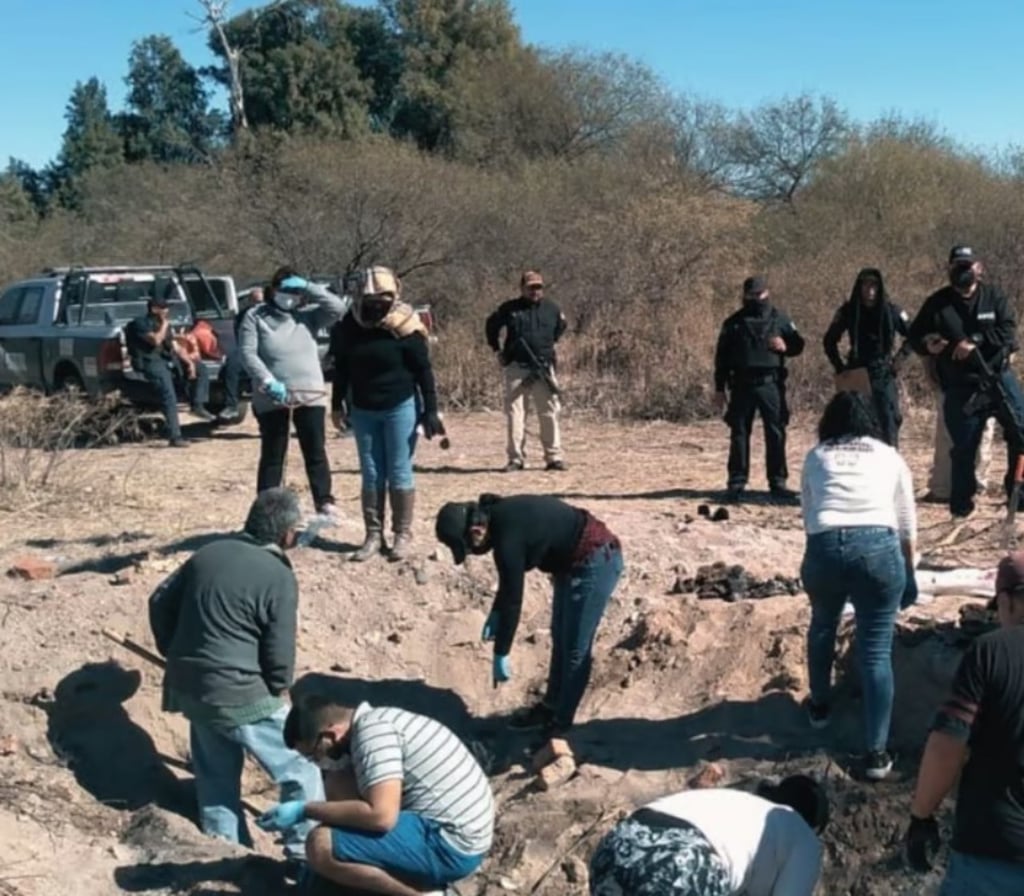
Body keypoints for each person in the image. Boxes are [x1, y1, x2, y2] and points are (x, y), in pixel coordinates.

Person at [147, 488, 324, 872]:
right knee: (302, 768)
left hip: (191, 689)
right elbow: (279, 653)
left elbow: (159, 601)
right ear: (287, 535)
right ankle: (303, 858)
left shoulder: (207, 553)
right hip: (241, 693)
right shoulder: (277, 575)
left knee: (214, 776)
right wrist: (278, 689)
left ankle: (226, 854)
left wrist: (173, 652)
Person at [256, 694, 494, 896]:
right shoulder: (376, 721)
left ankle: (425, 893)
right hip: (450, 828)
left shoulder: (373, 734)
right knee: (338, 781)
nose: (317, 762)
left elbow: (381, 816)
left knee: (320, 845)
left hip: (452, 844)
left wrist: (304, 809)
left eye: (314, 754)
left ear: (331, 735)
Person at [799, 391, 917, 781]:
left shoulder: (816, 456)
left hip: (825, 545)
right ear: (871, 423)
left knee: (822, 625)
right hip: (879, 548)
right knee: (875, 650)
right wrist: (909, 572)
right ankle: (876, 753)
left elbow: (810, 514)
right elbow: (906, 521)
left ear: (829, 422)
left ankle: (819, 706)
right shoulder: (888, 455)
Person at [435, 494, 623, 733]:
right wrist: (496, 613)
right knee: (561, 638)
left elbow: (514, 598)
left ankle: (560, 725)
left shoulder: (506, 537)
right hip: (570, 564)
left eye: (468, 548)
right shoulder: (498, 517)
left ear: (475, 531)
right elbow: (508, 583)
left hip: (596, 558)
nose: (472, 552)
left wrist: (501, 652)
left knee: (575, 648)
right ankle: (550, 707)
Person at [905, 552, 1024, 894]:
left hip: (995, 852)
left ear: (1007, 600)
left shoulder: (992, 651)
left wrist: (921, 816)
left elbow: (947, 744)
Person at [330, 266, 442, 562]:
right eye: (371, 298)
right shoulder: (348, 327)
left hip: (400, 406)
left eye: (384, 297)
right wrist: (336, 403)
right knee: (371, 472)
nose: (377, 303)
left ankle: (402, 534)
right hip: (363, 409)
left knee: (398, 469)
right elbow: (341, 368)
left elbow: (423, 371)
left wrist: (431, 410)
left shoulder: (405, 325)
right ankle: (373, 535)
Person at [907, 245, 1024, 518]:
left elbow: (1008, 331)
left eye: (968, 266)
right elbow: (915, 336)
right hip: (961, 385)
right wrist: (927, 343)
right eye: (957, 266)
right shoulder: (937, 303)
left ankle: (1018, 496)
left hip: (997, 378)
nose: (963, 271)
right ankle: (961, 505)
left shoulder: (994, 297)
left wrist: (975, 341)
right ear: (949, 269)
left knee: (1021, 432)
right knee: (963, 447)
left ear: (979, 268)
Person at [588, 775, 828, 896]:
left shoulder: (737, 805)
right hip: (679, 862)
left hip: (616, 846)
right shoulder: (804, 837)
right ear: (814, 826)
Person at [239, 268, 347, 517]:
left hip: (309, 395)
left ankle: (324, 501)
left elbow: (338, 308)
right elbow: (248, 353)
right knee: (273, 453)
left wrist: (308, 286)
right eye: (286, 290)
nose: (290, 296)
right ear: (273, 290)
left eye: (295, 292)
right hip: (273, 397)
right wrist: (267, 380)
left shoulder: (308, 317)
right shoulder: (255, 317)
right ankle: (267, 507)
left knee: (315, 450)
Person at [713, 276, 805, 504]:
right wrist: (719, 388)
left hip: (770, 384)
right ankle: (736, 482)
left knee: (775, 432)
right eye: (751, 295)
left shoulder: (780, 318)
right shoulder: (733, 323)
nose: (756, 299)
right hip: (741, 384)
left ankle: (777, 482)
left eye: (760, 294)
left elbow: (798, 344)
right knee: (739, 433)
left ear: (767, 293)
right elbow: (721, 358)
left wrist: (785, 346)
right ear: (745, 296)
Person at [485, 270, 568, 472]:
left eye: (538, 287)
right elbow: (491, 326)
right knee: (515, 413)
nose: (535, 291)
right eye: (530, 287)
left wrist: (548, 346)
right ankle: (516, 459)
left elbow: (561, 327)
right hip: (517, 367)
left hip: (543, 368)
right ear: (522, 288)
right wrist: (497, 350)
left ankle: (553, 457)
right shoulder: (509, 309)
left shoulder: (552, 308)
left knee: (548, 412)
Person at [823, 267, 913, 447]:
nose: (870, 291)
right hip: (857, 371)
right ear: (859, 287)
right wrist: (840, 367)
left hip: (883, 371)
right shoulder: (848, 311)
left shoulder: (892, 311)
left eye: (874, 287)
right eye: (866, 286)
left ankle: (890, 461)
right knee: (854, 421)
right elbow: (829, 341)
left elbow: (913, 335)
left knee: (890, 419)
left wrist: (898, 362)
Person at [125, 294, 215, 447]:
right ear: (154, 309)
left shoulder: (164, 324)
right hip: (150, 362)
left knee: (201, 369)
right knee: (169, 396)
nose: (167, 311)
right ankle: (175, 436)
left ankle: (198, 405)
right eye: (164, 308)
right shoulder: (139, 323)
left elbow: (174, 346)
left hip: (166, 359)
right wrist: (165, 325)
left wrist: (189, 363)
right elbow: (155, 340)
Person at [922, 354, 994, 502]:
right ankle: (945, 488)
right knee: (950, 431)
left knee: (979, 431)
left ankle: (970, 487)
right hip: (953, 376)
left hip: (983, 375)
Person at [189, 319, 245, 423]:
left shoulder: (204, 330)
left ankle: (231, 406)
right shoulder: (204, 330)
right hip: (237, 350)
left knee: (231, 368)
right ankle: (230, 406)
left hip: (242, 350)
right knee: (230, 369)